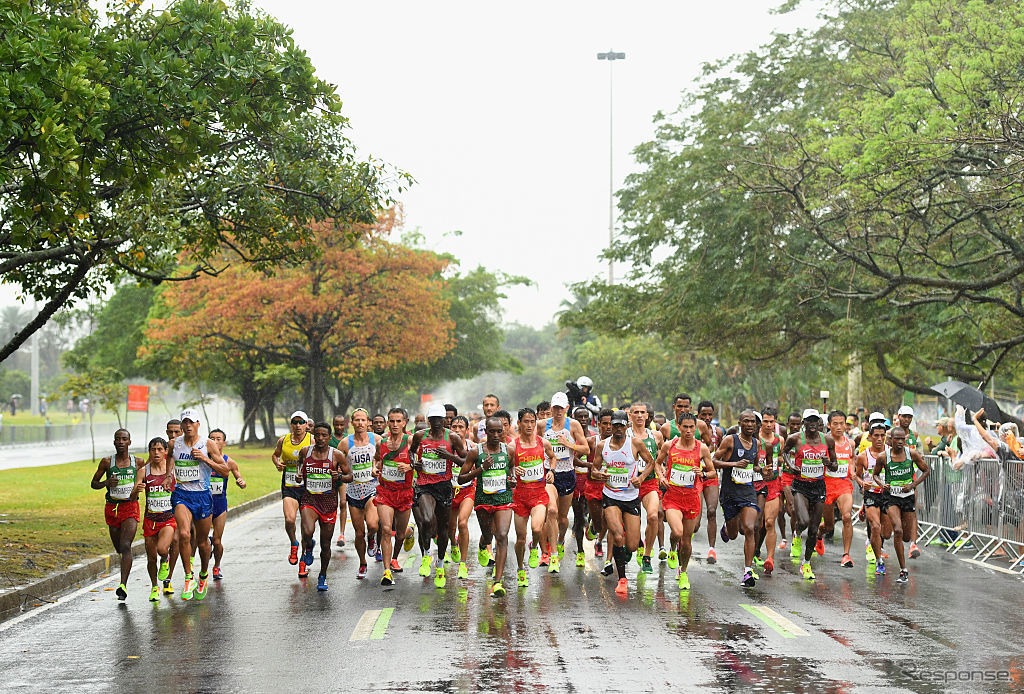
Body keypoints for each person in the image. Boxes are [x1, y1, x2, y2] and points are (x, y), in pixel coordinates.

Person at [589, 410, 657, 596]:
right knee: (618, 536)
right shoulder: (602, 446)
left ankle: (626, 547)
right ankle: (622, 579)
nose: (618, 429)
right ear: (610, 426)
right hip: (610, 496)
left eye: (621, 425)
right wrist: (599, 474)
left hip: (631, 497)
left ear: (627, 425)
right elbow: (594, 468)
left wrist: (641, 478)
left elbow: (651, 462)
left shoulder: (635, 443)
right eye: (615, 425)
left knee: (633, 546)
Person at [169, 409, 229, 601]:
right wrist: (168, 475)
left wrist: (204, 458)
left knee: (203, 542)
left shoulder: (207, 444)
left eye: (191, 422)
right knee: (184, 534)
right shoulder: (174, 444)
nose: (187, 426)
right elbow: (170, 458)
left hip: (203, 496)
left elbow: (225, 471)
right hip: (182, 495)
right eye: (184, 422)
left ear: (198, 424)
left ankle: (203, 573)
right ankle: (189, 576)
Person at [459, 416, 518, 597]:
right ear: (485, 432)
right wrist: (481, 469)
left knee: (501, 536)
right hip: (483, 499)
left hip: (504, 498)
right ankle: (484, 543)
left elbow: (512, 468)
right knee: (489, 535)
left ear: (503, 432)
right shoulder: (476, 452)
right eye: (491, 431)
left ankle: (497, 583)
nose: (495, 435)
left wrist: (513, 478)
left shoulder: (508, 451)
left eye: (499, 431)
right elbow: (461, 478)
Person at [410, 403, 467, 589]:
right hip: (425, 485)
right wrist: (414, 464)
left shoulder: (453, 438)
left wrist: (449, 456)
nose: (436, 423)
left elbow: (466, 460)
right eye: (432, 420)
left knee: (444, 529)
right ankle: (427, 554)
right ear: (429, 420)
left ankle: (440, 564)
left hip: (444, 486)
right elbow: (411, 453)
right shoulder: (420, 436)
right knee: (426, 520)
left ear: (444, 420)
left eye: (439, 420)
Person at [656, 412, 715, 590]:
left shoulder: (702, 448)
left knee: (687, 541)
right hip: (673, 497)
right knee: (678, 532)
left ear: (696, 428)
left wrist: (702, 473)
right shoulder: (669, 445)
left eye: (692, 427)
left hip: (691, 498)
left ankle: (683, 571)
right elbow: (658, 463)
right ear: (679, 427)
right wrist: (661, 477)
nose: (688, 431)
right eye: (685, 427)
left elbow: (712, 471)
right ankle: (673, 548)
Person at [713, 410, 768, 587]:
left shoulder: (757, 444)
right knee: (733, 533)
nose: (750, 424)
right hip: (729, 493)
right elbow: (713, 461)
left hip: (748, 491)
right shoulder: (730, 440)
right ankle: (726, 529)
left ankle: (747, 571)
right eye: (746, 421)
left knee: (750, 528)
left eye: (753, 421)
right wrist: (733, 464)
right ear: (740, 423)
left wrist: (761, 470)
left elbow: (756, 466)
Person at [781, 409, 838, 580]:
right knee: (804, 521)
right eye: (809, 420)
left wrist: (829, 463)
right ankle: (797, 534)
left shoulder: (827, 440)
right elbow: (784, 452)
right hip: (800, 485)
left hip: (819, 486)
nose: (812, 423)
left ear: (819, 422)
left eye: (815, 420)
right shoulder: (795, 439)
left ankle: (806, 564)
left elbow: (834, 465)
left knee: (814, 529)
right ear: (804, 422)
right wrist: (791, 465)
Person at [538, 391, 589, 572]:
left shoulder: (573, 425)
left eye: (561, 408)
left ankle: (559, 541)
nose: (558, 411)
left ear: (567, 408)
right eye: (555, 408)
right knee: (551, 511)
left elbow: (586, 449)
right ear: (551, 408)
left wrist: (569, 445)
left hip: (567, 474)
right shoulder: (542, 425)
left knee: (562, 518)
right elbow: (529, 441)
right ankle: (552, 556)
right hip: (548, 473)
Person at [873, 426, 930, 583]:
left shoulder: (911, 454)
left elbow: (926, 470)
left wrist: (912, 485)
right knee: (897, 530)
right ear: (890, 440)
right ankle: (903, 571)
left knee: (905, 536)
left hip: (908, 497)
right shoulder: (883, 457)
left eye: (902, 439)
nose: (899, 442)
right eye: (896, 439)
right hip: (891, 497)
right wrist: (882, 484)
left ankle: (902, 560)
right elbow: (875, 475)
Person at [297, 422, 350, 591]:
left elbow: (350, 475)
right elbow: (299, 464)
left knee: (326, 545)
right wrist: (299, 474)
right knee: (307, 531)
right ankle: (308, 546)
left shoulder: (337, 455)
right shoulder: (306, 452)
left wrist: (340, 475)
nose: (320, 438)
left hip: (328, 503)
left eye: (324, 435)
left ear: (329, 437)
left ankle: (322, 575)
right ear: (314, 436)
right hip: (309, 499)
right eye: (317, 435)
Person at [90, 428, 141, 601]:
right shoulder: (106, 462)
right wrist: (106, 482)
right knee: (119, 548)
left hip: (130, 507)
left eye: (124, 439)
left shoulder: (138, 462)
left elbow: (148, 479)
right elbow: (93, 483)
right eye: (117, 439)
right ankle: (123, 576)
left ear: (129, 442)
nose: (120, 442)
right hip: (112, 508)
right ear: (114, 442)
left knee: (126, 545)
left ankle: (122, 585)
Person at [511, 407, 556, 587]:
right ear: (519, 424)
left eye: (532, 422)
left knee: (537, 529)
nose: (529, 425)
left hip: (538, 494)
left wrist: (551, 470)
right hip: (520, 497)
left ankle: (535, 547)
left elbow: (552, 458)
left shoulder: (543, 443)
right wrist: (513, 470)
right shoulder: (512, 447)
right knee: (520, 538)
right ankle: (521, 568)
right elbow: (506, 468)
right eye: (526, 422)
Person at [374, 408, 415, 588]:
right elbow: (377, 460)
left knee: (399, 533)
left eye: (398, 421)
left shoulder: (411, 441)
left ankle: (396, 556)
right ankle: (387, 571)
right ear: (387, 423)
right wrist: (375, 468)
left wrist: (409, 467)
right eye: (392, 421)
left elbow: (421, 462)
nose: (395, 425)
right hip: (385, 492)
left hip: (405, 492)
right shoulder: (381, 443)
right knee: (385, 529)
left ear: (405, 422)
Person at [338, 408, 380, 579]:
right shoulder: (344, 443)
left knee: (372, 525)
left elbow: (385, 457)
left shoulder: (376, 439)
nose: (360, 423)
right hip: (353, 491)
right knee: (359, 532)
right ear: (352, 422)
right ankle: (362, 563)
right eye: (357, 420)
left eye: (363, 420)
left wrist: (377, 468)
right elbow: (337, 464)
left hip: (372, 488)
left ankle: (373, 538)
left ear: (368, 422)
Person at [271, 411, 312, 565]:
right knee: (290, 520)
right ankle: (294, 543)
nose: (298, 425)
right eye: (295, 422)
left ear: (307, 425)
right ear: (291, 424)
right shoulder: (284, 440)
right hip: (289, 485)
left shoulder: (312, 440)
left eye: (301, 422)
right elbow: (275, 455)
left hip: (308, 488)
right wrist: (277, 463)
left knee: (307, 528)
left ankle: (303, 561)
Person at [206, 429, 246, 580]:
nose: (215, 442)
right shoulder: (202, 459)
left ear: (224, 443)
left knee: (217, 540)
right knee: (199, 539)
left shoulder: (229, 462)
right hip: (204, 502)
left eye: (218, 439)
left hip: (219, 503)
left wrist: (241, 482)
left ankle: (216, 566)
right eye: (212, 439)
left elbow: (241, 480)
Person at [629, 402, 664, 573]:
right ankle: (634, 544)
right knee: (630, 528)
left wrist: (662, 475)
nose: (640, 415)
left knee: (653, 516)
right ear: (630, 415)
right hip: (629, 485)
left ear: (647, 415)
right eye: (636, 412)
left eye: (643, 412)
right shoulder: (624, 435)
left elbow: (658, 461)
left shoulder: (656, 436)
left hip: (649, 482)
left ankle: (647, 556)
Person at [141, 437, 176, 602]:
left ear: (166, 452)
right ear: (149, 451)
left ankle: (166, 559)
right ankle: (155, 587)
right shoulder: (144, 471)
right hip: (150, 519)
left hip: (168, 518)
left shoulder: (172, 470)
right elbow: (133, 494)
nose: (156, 453)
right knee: (151, 557)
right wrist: (137, 490)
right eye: (153, 450)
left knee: (162, 549)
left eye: (160, 449)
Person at [821, 411, 855, 567]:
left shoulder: (850, 443)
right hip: (827, 485)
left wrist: (852, 471)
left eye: (842, 423)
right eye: (835, 423)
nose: (839, 427)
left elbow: (852, 458)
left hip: (843, 485)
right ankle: (818, 536)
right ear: (829, 425)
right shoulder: (823, 443)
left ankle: (846, 555)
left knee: (847, 517)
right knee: (829, 526)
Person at [855, 421, 891, 570]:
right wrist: (863, 483)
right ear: (870, 437)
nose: (879, 438)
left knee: (887, 533)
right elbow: (856, 475)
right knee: (875, 527)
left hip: (888, 496)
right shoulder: (863, 456)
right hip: (871, 495)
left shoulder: (891, 453)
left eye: (882, 435)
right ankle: (878, 561)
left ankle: (874, 543)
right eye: (876, 435)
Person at [752, 408, 783, 575]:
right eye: (766, 421)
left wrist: (777, 462)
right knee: (756, 525)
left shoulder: (779, 440)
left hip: (772, 484)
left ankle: (770, 558)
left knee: (770, 522)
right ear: (760, 423)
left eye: (772, 421)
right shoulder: (751, 439)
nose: (769, 425)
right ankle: (754, 551)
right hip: (752, 485)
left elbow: (781, 459)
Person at [584, 409, 614, 562]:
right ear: (599, 425)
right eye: (605, 424)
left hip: (611, 486)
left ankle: (601, 544)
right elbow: (575, 458)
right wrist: (590, 465)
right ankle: (593, 525)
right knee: (599, 524)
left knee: (610, 519)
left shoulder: (621, 442)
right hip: (593, 486)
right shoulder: (591, 441)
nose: (608, 427)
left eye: (611, 423)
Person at [447, 415, 474, 578]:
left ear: (467, 430)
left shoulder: (474, 447)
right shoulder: (445, 447)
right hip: (450, 490)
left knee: (462, 523)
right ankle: (453, 543)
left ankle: (463, 564)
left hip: (467, 490)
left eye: (461, 427)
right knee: (451, 529)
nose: (457, 430)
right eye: (454, 427)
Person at [160, 419, 183, 595]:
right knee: (161, 548)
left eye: (177, 432)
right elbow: (145, 471)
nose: (173, 436)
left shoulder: (188, 451)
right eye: (170, 432)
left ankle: (168, 579)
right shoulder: (160, 451)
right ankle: (164, 561)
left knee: (176, 540)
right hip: (160, 507)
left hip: (182, 502)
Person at [570, 406, 594, 566]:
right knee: (579, 518)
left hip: (592, 480)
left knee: (595, 515)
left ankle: (593, 528)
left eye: (586, 417)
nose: (583, 419)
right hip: (575, 481)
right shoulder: (571, 437)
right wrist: (587, 463)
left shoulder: (594, 436)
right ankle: (580, 551)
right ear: (574, 419)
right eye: (580, 417)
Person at [329, 414, 350, 548]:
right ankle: (329, 531)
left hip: (342, 477)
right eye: (336, 424)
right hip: (329, 477)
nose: (339, 427)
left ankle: (341, 533)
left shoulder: (348, 439)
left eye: (342, 424)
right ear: (333, 424)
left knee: (343, 502)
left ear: (345, 425)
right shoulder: (328, 438)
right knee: (331, 506)